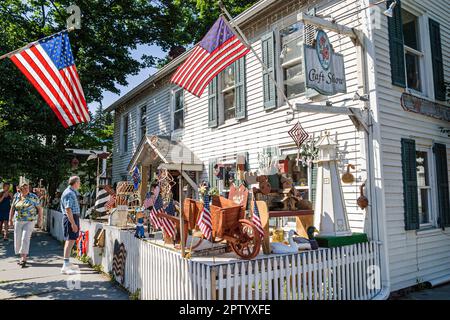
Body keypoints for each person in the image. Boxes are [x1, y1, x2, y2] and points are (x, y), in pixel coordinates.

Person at [9, 182, 43, 267]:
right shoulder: (17, 196)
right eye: (24, 188)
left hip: (29, 220)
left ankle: (23, 258)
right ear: (20, 189)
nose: (26, 189)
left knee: (25, 238)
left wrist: (39, 220)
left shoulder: (33, 197)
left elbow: (40, 209)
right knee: (18, 239)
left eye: (27, 188)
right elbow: (12, 208)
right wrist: (10, 220)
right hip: (18, 220)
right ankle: (21, 256)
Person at [60, 176, 81, 275]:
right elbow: (68, 209)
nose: (80, 184)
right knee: (70, 240)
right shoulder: (69, 193)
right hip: (70, 218)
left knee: (71, 240)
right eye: (79, 182)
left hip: (72, 217)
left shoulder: (71, 192)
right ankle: (65, 265)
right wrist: (73, 223)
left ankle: (67, 263)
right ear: (75, 183)